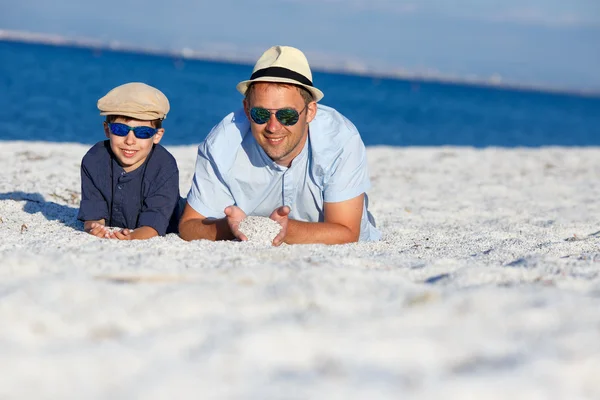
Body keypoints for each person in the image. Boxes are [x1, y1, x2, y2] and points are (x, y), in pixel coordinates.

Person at [179, 45, 380, 245]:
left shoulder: (340, 140)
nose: (273, 127)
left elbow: (346, 233)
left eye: (287, 115)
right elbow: (189, 226)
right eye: (261, 114)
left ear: (310, 111)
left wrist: (283, 230)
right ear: (247, 110)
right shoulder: (222, 143)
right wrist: (228, 227)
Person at [77, 82, 181, 240]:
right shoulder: (94, 160)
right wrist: (95, 227)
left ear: (157, 135)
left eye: (143, 132)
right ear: (107, 130)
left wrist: (132, 237)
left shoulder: (164, 166)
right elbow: (93, 212)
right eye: (120, 130)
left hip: (167, 223)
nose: (130, 141)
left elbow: (154, 224)